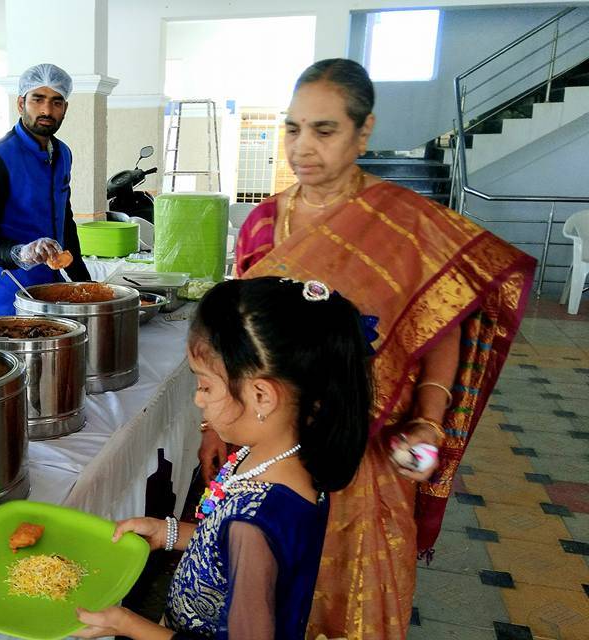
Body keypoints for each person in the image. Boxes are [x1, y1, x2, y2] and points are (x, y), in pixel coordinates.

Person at [198, 59, 536, 640]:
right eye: (293, 128)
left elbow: (442, 325)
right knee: (260, 585)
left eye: (324, 130)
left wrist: (430, 419)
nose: (303, 147)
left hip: (369, 447)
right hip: (270, 447)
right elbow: (239, 342)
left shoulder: (408, 226)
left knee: (355, 590)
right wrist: (215, 430)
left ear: (364, 131)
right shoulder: (260, 226)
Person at [76, 277, 371, 640]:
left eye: (205, 386)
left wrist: (129, 625)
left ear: (262, 396)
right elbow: (220, 542)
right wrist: (168, 533)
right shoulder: (279, 457)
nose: (199, 400)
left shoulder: (255, 527)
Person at [0, 63, 91, 316]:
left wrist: (84, 284)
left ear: (65, 109)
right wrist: (20, 253)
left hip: (52, 291)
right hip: (7, 293)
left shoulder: (63, 153)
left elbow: (64, 220)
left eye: (56, 102)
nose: (47, 110)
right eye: (38, 99)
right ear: (21, 104)